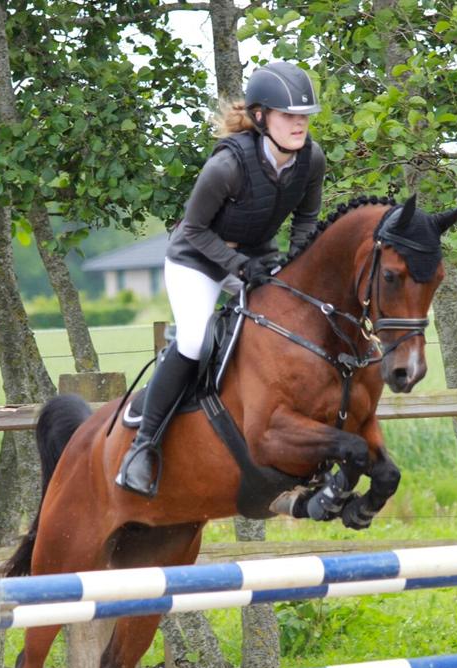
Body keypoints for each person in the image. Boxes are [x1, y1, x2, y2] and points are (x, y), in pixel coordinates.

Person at [116, 61, 327, 497]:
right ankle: (143, 446)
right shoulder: (228, 166)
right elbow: (192, 230)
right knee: (195, 340)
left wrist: (295, 267)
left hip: (256, 260)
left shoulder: (312, 161)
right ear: (260, 116)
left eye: (304, 116)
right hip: (196, 261)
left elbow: (306, 222)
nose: (299, 125)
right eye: (289, 116)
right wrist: (238, 268)